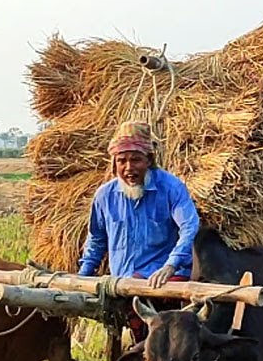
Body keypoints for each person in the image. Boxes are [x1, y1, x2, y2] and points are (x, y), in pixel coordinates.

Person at [77, 120, 201, 290]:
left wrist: (170, 265)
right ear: (115, 163)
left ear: (149, 160)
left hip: (162, 282)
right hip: (122, 283)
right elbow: (96, 240)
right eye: (122, 161)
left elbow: (189, 227)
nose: (129, 167)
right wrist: (82, 277)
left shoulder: (171, 188)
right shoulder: (105, 196)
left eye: (135, 160)